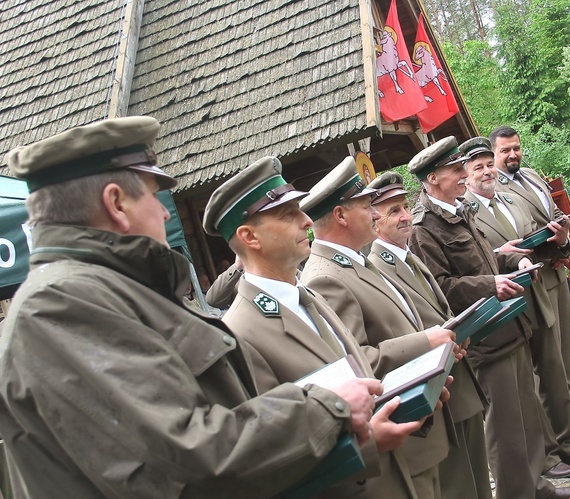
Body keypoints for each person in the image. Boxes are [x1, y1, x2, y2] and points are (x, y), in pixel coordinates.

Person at [0, 116, 381, 499]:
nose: (165, 213)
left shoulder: (105, 290)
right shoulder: (63, 304)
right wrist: (328, 409)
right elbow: (190, 457)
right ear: (116, 202)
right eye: (152, 195)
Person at [202, 156, 423, 498]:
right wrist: (368, 445)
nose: (306, 220)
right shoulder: (240, 334)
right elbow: (273, 456)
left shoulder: (305, 294)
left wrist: (409, 397)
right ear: (249, 236)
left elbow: (358, 378)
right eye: (288, 215)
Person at [407, 136, 570, 499]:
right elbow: (439, 287)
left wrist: (512, 261)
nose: (463, 176)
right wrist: (491, 282)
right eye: (456, 170)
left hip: (510, 325)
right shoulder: (425, 227)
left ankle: (535, 485)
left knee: (527, 416)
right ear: (433, 178)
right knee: (504, 428)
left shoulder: (456, 210)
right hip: (484, 338)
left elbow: (486, 256)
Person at [299, 157, 459, 499]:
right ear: (341, 216)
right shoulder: (326, 277)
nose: (375, 214)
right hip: (401, 440)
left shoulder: (357, 261)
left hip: (420, 423)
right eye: (366, 206)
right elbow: (356, 364)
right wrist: (425, 344)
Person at [461, 137, 570, 479]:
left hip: (538, 292)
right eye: (479, 168)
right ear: (465, 177)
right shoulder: (466, 214)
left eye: (488, 164)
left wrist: (559, 240)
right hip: (507, 307)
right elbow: (473, 265)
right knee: (528, 389)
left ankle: (565, 443)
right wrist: (503, 257)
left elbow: (534, 243)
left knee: (553, 370)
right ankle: (548, 457)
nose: (488, 171)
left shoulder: (507, 199)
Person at [367, 172, 492, 499]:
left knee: (478, 481)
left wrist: (457, 333)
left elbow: (439, 311)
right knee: (459, 486)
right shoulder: (376, 268)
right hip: (434, 394)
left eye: (405, 206)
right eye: (393, 211)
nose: (406, 216)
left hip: (458, 380)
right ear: (373, 220)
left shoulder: (408, 257)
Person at [489, 126, 570, 418]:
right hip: (532, 275)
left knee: (564, 342)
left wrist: (563, 240)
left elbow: (554, 214)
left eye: (516, 148)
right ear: (494, 153)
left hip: (556, 270)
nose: (513, 154)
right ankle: (556, 416)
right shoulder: (496, 188)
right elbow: (517, 232)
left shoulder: (530, 175)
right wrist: (548, 246)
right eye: (505, 150)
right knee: (545, 351)